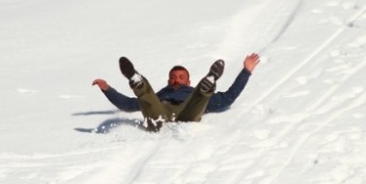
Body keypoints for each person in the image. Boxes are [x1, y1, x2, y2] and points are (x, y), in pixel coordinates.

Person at [92, 53, 261, 130]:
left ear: (188, 82)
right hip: (160, 113)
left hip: (188, 110)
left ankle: (207, 85)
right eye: (173, 77)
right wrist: (107, 89)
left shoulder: (190, 92)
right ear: (168, 81)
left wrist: (246, 71)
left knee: (199, 98)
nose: (176, 80)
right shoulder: (161, 95)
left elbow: (227, 98)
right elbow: (129, 104)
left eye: (181, 77)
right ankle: (137, 81)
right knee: (148, 98)